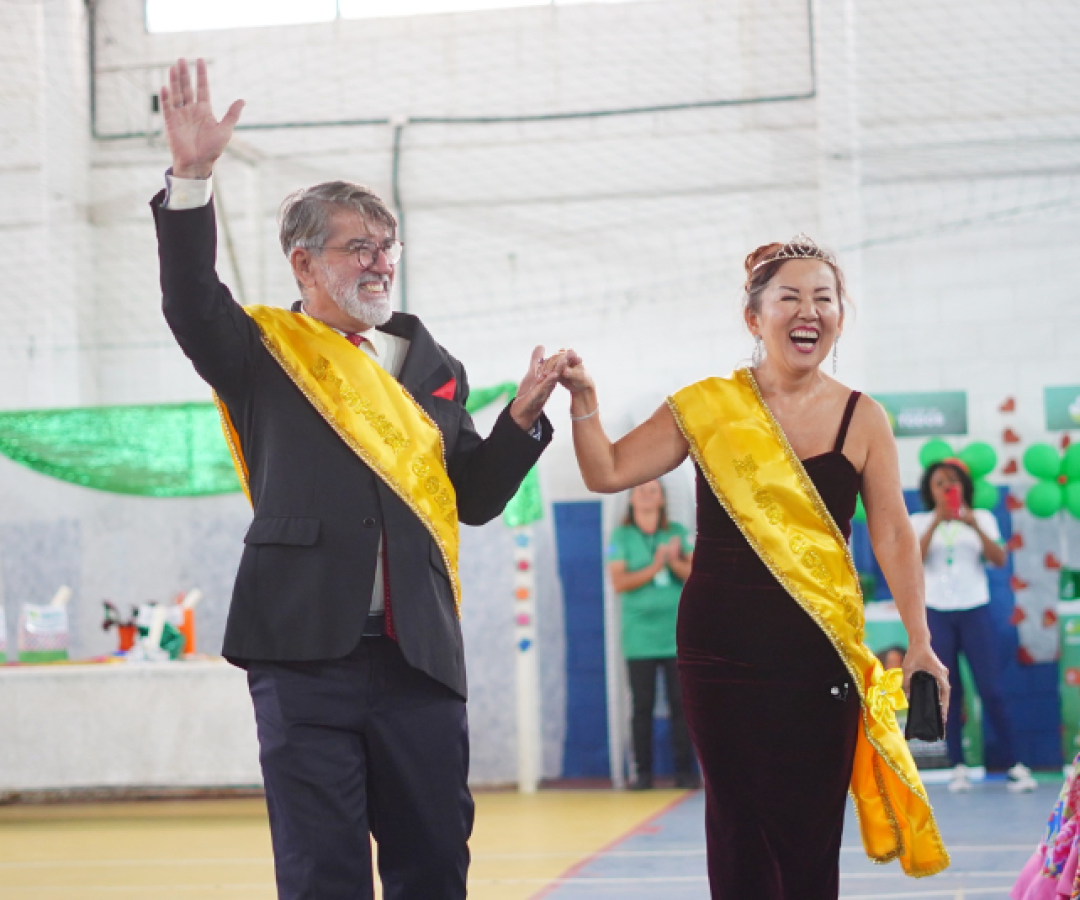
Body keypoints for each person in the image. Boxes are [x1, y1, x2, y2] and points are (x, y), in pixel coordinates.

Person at [152, 59, 566, 900]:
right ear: (303, 265)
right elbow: (192, 300)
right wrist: (192, 177)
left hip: (418, 656)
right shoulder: (260, 350)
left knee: (435, 865)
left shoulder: (432, 364)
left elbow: (476, 500)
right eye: (357, 247)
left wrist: (520, 419)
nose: (379, 263)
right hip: (300, 649)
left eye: (387, 247)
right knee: (321, 871)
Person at [559, 235, 951, 898]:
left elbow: (891, 533)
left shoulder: (864, 417)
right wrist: (585, 400)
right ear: (754, 317)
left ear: (838, 316)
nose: (810, 311)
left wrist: (919, 641)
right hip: (720, 655)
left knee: (808, 833)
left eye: (824, 298)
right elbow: (608, 470)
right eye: (790, 297)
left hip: (820, 655)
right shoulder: (707, 406)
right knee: (739, 829)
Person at [912, 459, 1037, 793]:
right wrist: (938, 521)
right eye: (939, 483)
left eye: (952, 482)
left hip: (974, 612)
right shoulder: (920, 521)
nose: (946, 488)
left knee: (991, 688)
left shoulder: (982, 518)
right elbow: (914, 561)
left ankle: (1014, 764)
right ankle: (958, 766)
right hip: (937, 612)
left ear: (964, 486)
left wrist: (972, 525)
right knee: (948, 691)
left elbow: (999, 559)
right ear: (930, 490)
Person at [608, 479, 697, 790]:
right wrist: (656, 563)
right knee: (642, 706)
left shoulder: (676, 533)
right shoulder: (621, 536)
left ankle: (685, 773)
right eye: (641, 490)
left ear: (661, 500)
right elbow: (619, 582)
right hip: (640, 639)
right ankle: (643, 774)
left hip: (676, 637)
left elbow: (695, 577)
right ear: (631, 499)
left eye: (652, 491)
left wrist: (673, 561)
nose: (646, 495)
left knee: (681, 705)